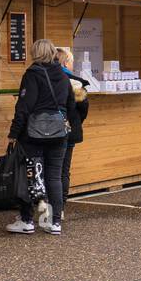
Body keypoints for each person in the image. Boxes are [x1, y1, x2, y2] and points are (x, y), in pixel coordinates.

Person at [6, 39, 71, 235]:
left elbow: (23, 107)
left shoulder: (32, 75)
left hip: (33, 134)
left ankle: (27, 220)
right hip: (59, 133)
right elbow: (70, 103)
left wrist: (13, 133)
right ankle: (55, 222)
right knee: (54, 177)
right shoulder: (62, 74)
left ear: (35, 53)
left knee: (29, 175)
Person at [55, 48, 90, 214]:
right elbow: (83, 108)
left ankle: (48, 206)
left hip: (47, 130)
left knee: (51, 169)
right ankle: (60, 207)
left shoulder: (48, 78)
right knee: (63, 170)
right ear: (64, 62)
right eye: (70, 61)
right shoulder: (76, 82)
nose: (71, 65)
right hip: (69, 130)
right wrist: (75, 122)